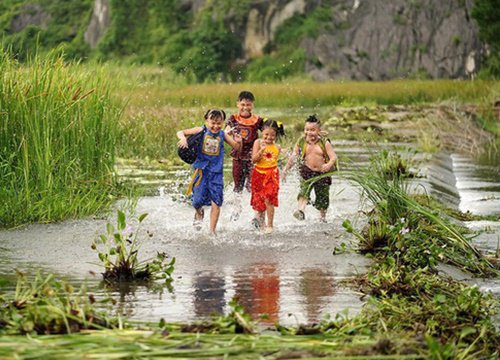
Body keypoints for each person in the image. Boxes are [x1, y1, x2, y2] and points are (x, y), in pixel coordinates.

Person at [176, 109, 241, 234]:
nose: (215, 126)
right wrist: (183, 139)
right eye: (213, 123)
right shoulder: (201, 130)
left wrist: (239, 141)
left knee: (217, 201)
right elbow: (180, 132)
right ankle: (199, 212)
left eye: (219, 123)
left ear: (222, 123)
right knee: (197, 201)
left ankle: (212, 231)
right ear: (206, 120)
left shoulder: (223, 134)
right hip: (201, 172)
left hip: (216, 173)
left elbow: (237, 148)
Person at [282, 115, 337, 222]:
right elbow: (294, 157)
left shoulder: (324, 142)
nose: (309, 132)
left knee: (323, 198)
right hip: (307, 172)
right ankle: (301, 211)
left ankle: (322, 218)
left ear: (319, 130)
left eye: (312, 130)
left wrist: (329, 164)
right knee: (304, 191)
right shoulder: (301, 142)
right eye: (307, 129)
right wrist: (285, 170)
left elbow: (333, 157)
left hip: (322, 173)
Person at [225, 91, 264, 220]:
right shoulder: (233, 119)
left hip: (253, 158)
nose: (245, 107)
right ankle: (237, 209)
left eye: (248, 104)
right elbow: (226, 133)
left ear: (252, 105)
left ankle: (256, 213)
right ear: (237, 104)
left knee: (254, 185)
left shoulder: (257, 120)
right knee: (238, 185)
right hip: (238, 156)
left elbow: (268, 133)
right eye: (242, 104)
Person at [250, 119, 284, 234]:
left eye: (272, 135)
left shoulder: (277, 147)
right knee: (259, 201)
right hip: (258, 174)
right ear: (261, 132)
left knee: (269, 199)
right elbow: (254, 160)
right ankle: (261, 223)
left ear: (276, 135)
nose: (269, 137)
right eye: (266, 135)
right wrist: (261, 151)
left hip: (272, 175)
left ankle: (270, 225)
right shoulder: (258, 142)